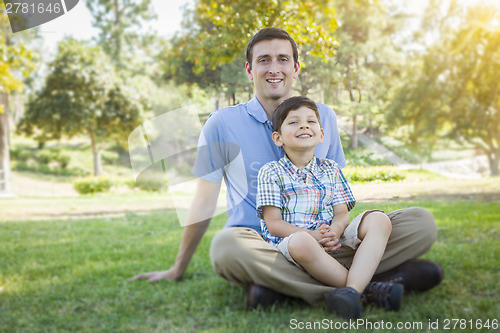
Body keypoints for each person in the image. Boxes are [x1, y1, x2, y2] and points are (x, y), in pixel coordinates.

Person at [131, 27, 443, 310]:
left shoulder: (324, 117)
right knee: (225, 247)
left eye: (283, 59)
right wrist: (177, 268)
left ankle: (282, 290)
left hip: (328, 244)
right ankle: (370, 285)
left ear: (295, 68)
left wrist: (333, 233)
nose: (274, 68)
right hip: (264, 248)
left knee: (420, 222)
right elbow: (204, 201)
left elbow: (338, 196)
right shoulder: (221, 124)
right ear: (249, 69)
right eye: (264, 60)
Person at [256, 96, 403, 319]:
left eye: (311, 121)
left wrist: (333, 232)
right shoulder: (271, 172)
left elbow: (342, 214)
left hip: (333, 240)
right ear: (278, 138)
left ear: (322, 134)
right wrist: (313, 236)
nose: (304, 125)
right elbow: (273, 224)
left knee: (379, 219)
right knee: (302, 242)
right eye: (293, 122)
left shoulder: (330, 169)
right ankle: (367, 289)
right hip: (295, 245)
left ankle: (352, 292)